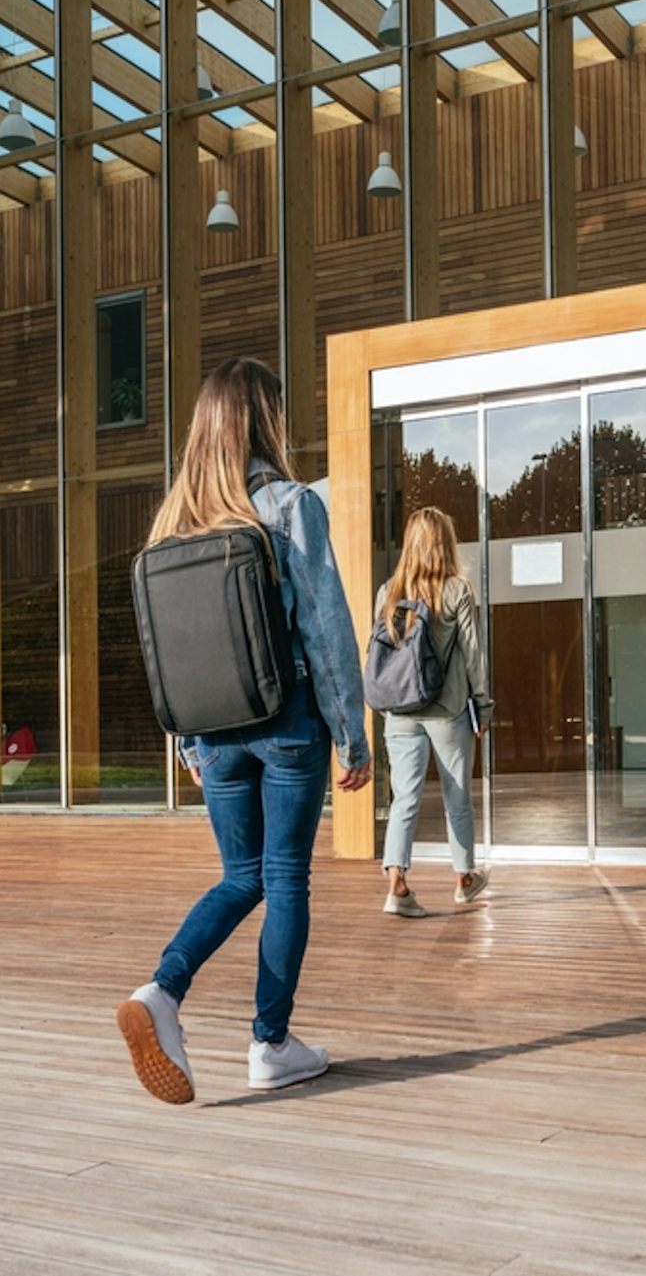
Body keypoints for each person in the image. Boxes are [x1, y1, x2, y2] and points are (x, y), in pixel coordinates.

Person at [116, 358, 372, 1105]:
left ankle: (163, 991)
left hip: (214, 733)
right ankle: (270, 1042)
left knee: (241, 875)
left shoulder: (173, 522)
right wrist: (351, 735)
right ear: (266, 420)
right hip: (287, 721)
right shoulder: (290, 505)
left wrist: (189, 743)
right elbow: (326, 628)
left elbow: (167, 648)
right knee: (286, 877)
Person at [375, 508, 494, 918]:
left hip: (400, 712)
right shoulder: (457, 590)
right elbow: (474, 655)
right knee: (456, 797)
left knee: (404, 799)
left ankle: (397, 886)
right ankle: (464, 878)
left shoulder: (388, 591)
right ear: (446, 542)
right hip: (447, 712)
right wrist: (483, 704)